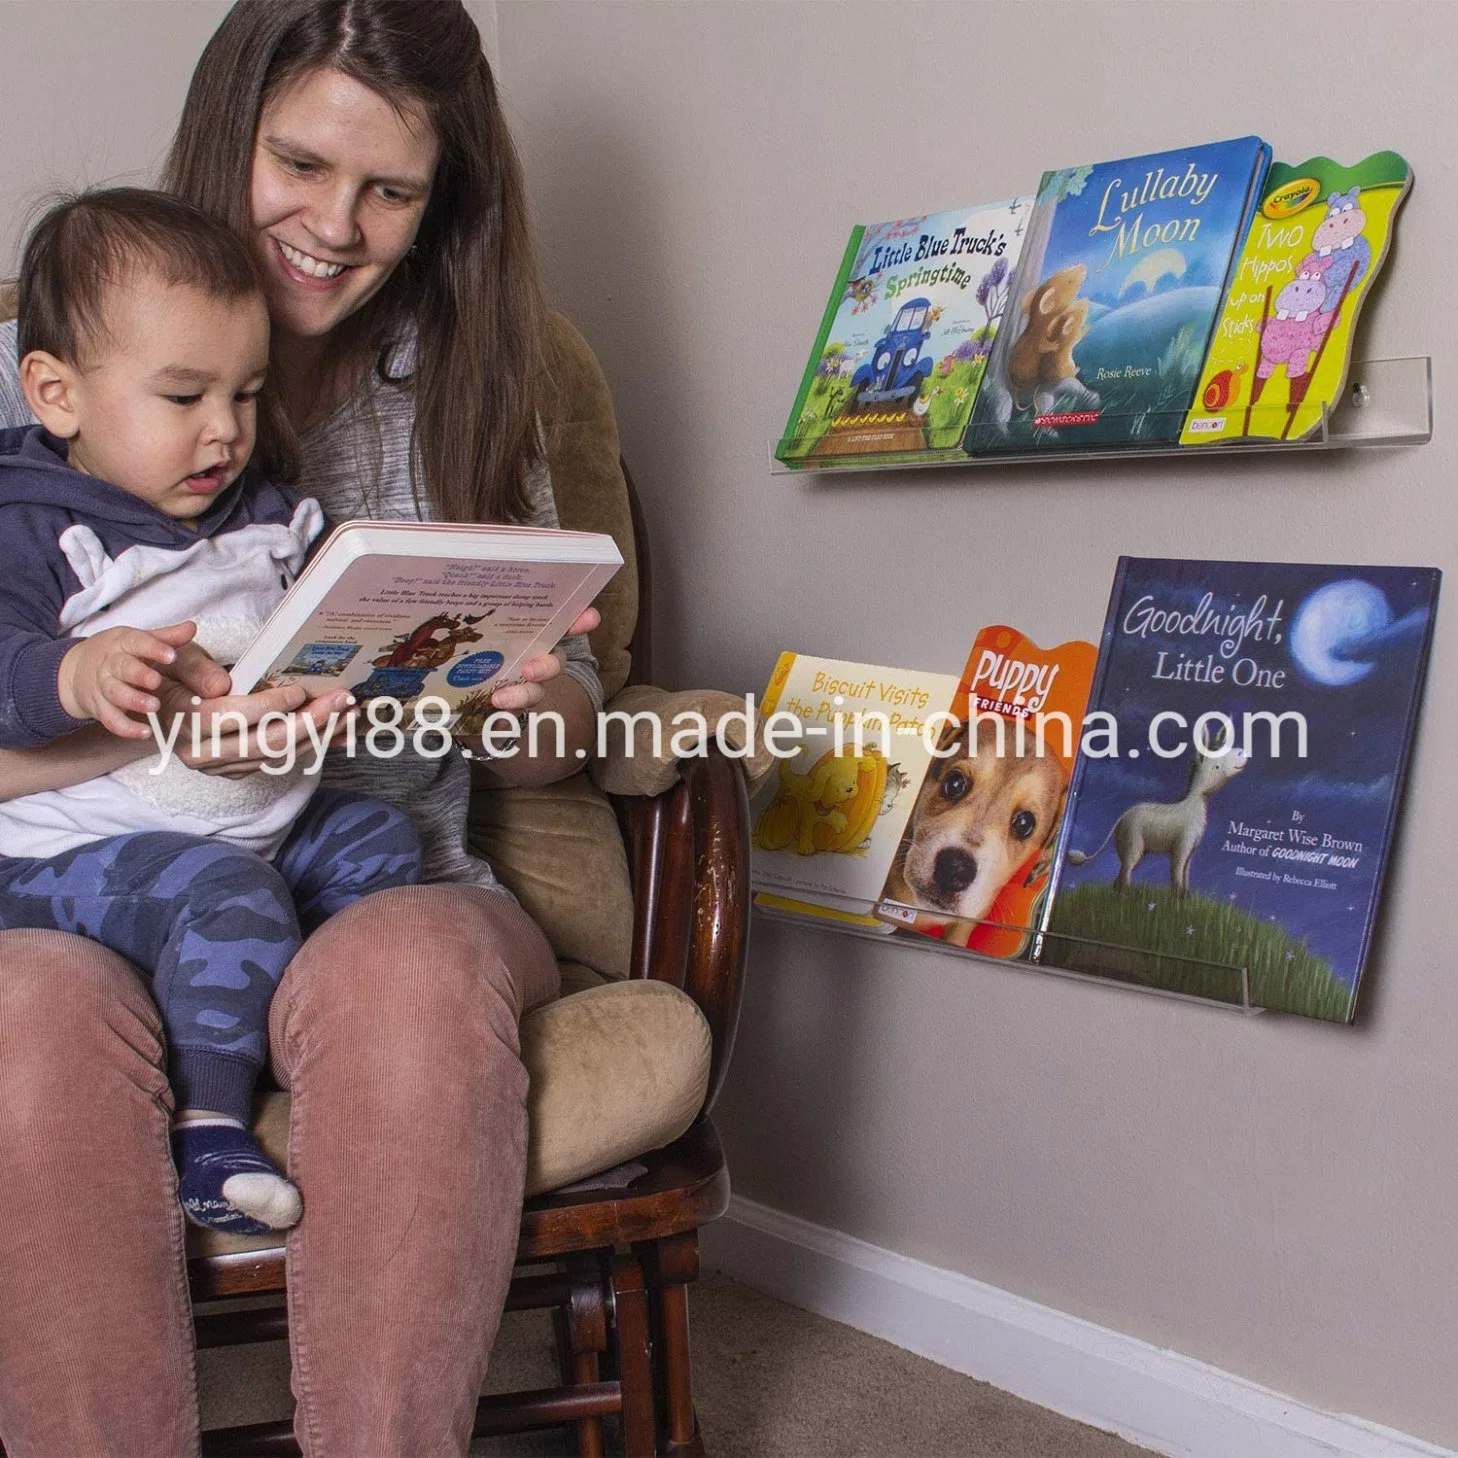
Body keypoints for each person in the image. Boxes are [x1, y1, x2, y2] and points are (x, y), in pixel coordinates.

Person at [0, 3, 603, 1452]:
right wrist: (170, 733)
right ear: (232, 134)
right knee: (26, 1014)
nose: (335, 225)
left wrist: (534, 701)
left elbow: (578, 710)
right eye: (300, 164)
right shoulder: (50, 365)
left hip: (386, 869)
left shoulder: (492, 380)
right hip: (103, 876)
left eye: (390, 191)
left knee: (398, 968)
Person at [0, 186, 429, 1237]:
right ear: (55, 395)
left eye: (243, 394)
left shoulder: (269, 516)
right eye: (182, 397)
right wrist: (69, 677)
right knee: (228, 892)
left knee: (380, 836)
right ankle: (210, 1131)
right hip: (69, 856)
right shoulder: (33, 526)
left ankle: (286, 1021)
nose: (224, 432)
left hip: (258, 823)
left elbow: (332, 636)